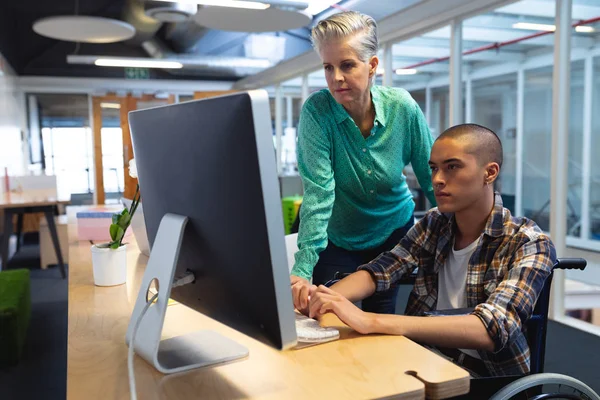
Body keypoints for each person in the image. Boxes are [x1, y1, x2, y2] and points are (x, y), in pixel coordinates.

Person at [306, 123, 556, 377]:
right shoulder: (435, 222)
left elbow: (492, 329)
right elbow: (382, 269)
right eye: (434, 168)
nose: (437, 179)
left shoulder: (529, 243)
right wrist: (321, 300)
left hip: (485, 377)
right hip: (423, 358)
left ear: (489, 173)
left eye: (452, 167)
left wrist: (370, 320)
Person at [290, 11, 436, 315]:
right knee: (321, 312)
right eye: (328, 67)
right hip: (338, 237)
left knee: (378, 318)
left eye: (347, 65)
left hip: (392, 231)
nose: (336, 78)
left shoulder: (402, 108)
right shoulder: (318, 113)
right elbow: (318, 192)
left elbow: (431, 174)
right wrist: (302, 270)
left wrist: (452, 229)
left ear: (372, 66)